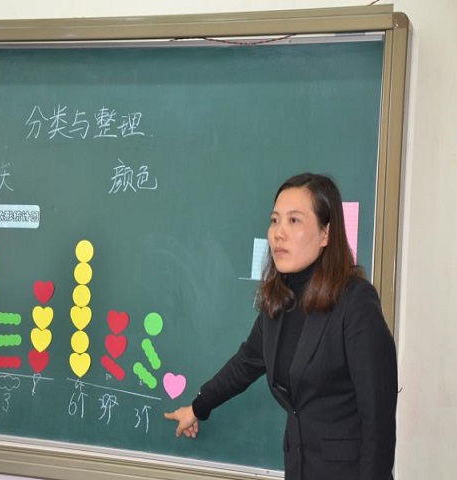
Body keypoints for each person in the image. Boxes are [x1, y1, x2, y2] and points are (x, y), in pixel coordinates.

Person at [164, 173, 398, 480]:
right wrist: (198, 407)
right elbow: (245, 364)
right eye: (275, 221)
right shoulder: (280, 301)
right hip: (299, 469)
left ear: (325, 233)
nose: (279, 233)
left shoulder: (355, 301)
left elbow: (378, 416)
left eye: (294, 221)